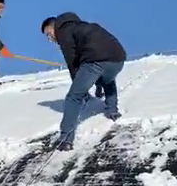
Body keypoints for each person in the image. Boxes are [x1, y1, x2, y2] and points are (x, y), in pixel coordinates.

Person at [41, 12, 126, 151]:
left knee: (73, 97)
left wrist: (79, 87)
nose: (51, 39)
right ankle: (113, 111)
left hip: (95, 60)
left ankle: (66, 139)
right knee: (107, 79)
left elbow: (72, 61)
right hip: (118, 58)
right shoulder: (82, 26)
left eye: (48, 35)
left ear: (52, 28)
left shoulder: (63, 32)